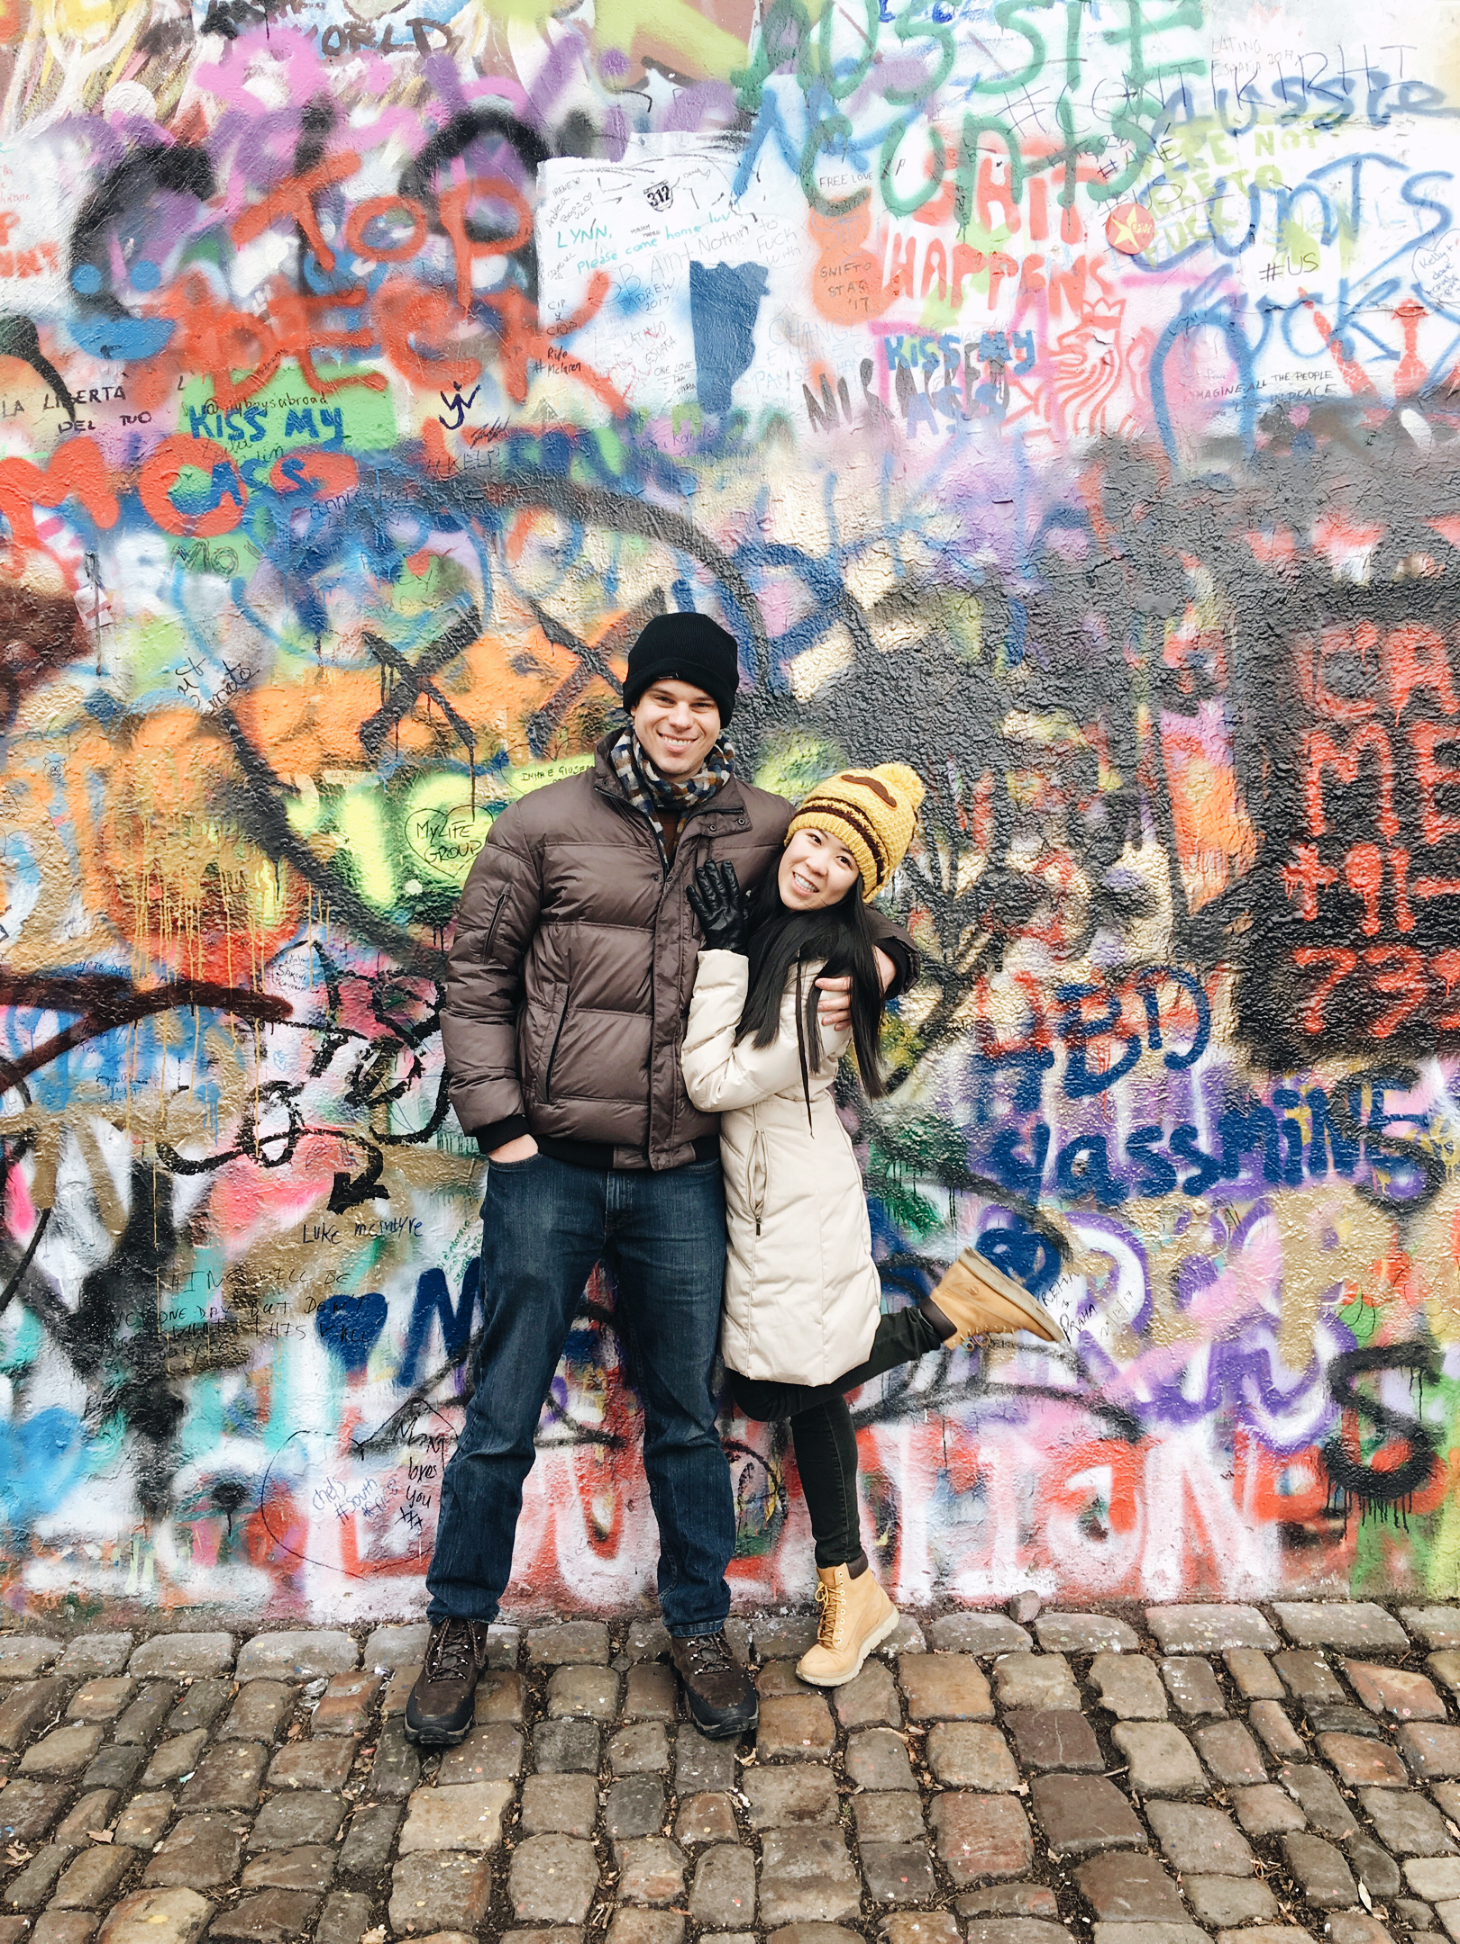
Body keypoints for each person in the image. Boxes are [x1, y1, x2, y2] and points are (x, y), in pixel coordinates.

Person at [406, 612, 917, 1747]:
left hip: (682, 1174)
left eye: (701, 704)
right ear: (632, 705)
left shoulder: (761, 829)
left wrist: (885, 959)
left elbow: (849, 888)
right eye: (662, 700)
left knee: (686, 1416)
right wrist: (498, 1128)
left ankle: (697, 1621)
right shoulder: (544, 825)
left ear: (722, 718)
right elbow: (476, 976)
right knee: (498, 1411)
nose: (681, 719)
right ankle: (455, 1628)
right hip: (550, 1169)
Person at [680, 766, 1065, 1688]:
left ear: (862, 883)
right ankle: (854, 1597)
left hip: (794, 1208)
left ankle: (944, 1315)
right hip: (773, 1194)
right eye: (813, 838)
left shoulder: (824, 976)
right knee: (810, 1394)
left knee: (775, 1392)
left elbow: (714, 1083)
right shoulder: (796, 926)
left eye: (844, 859)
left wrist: (725, 955)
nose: (815, 863)